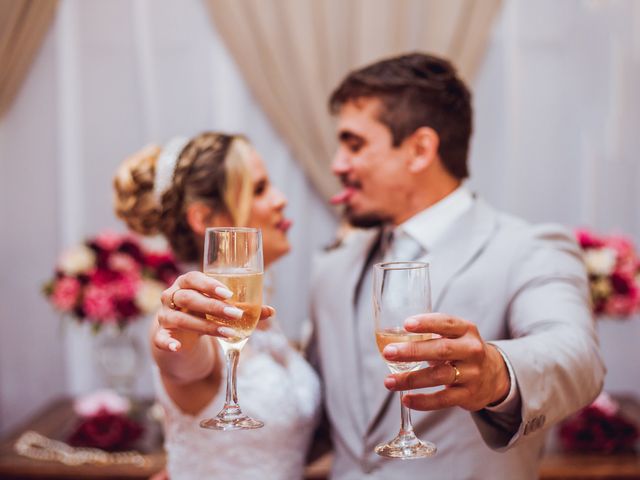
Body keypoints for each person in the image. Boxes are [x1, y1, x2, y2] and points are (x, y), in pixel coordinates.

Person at [308, 52, 605, 479]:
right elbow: (312, 416)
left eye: (354, 144)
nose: (337, 164)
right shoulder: (332, 269)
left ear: (419, 149)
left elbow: (577, 357)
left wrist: (497, 374)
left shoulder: (528, 248)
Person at [113, 132, 320, 479]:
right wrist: (177, 333)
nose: (281, 200)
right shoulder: (190, 320)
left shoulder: (261, 318)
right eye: (259, 189)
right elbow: (182, 359)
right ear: (205, 219)